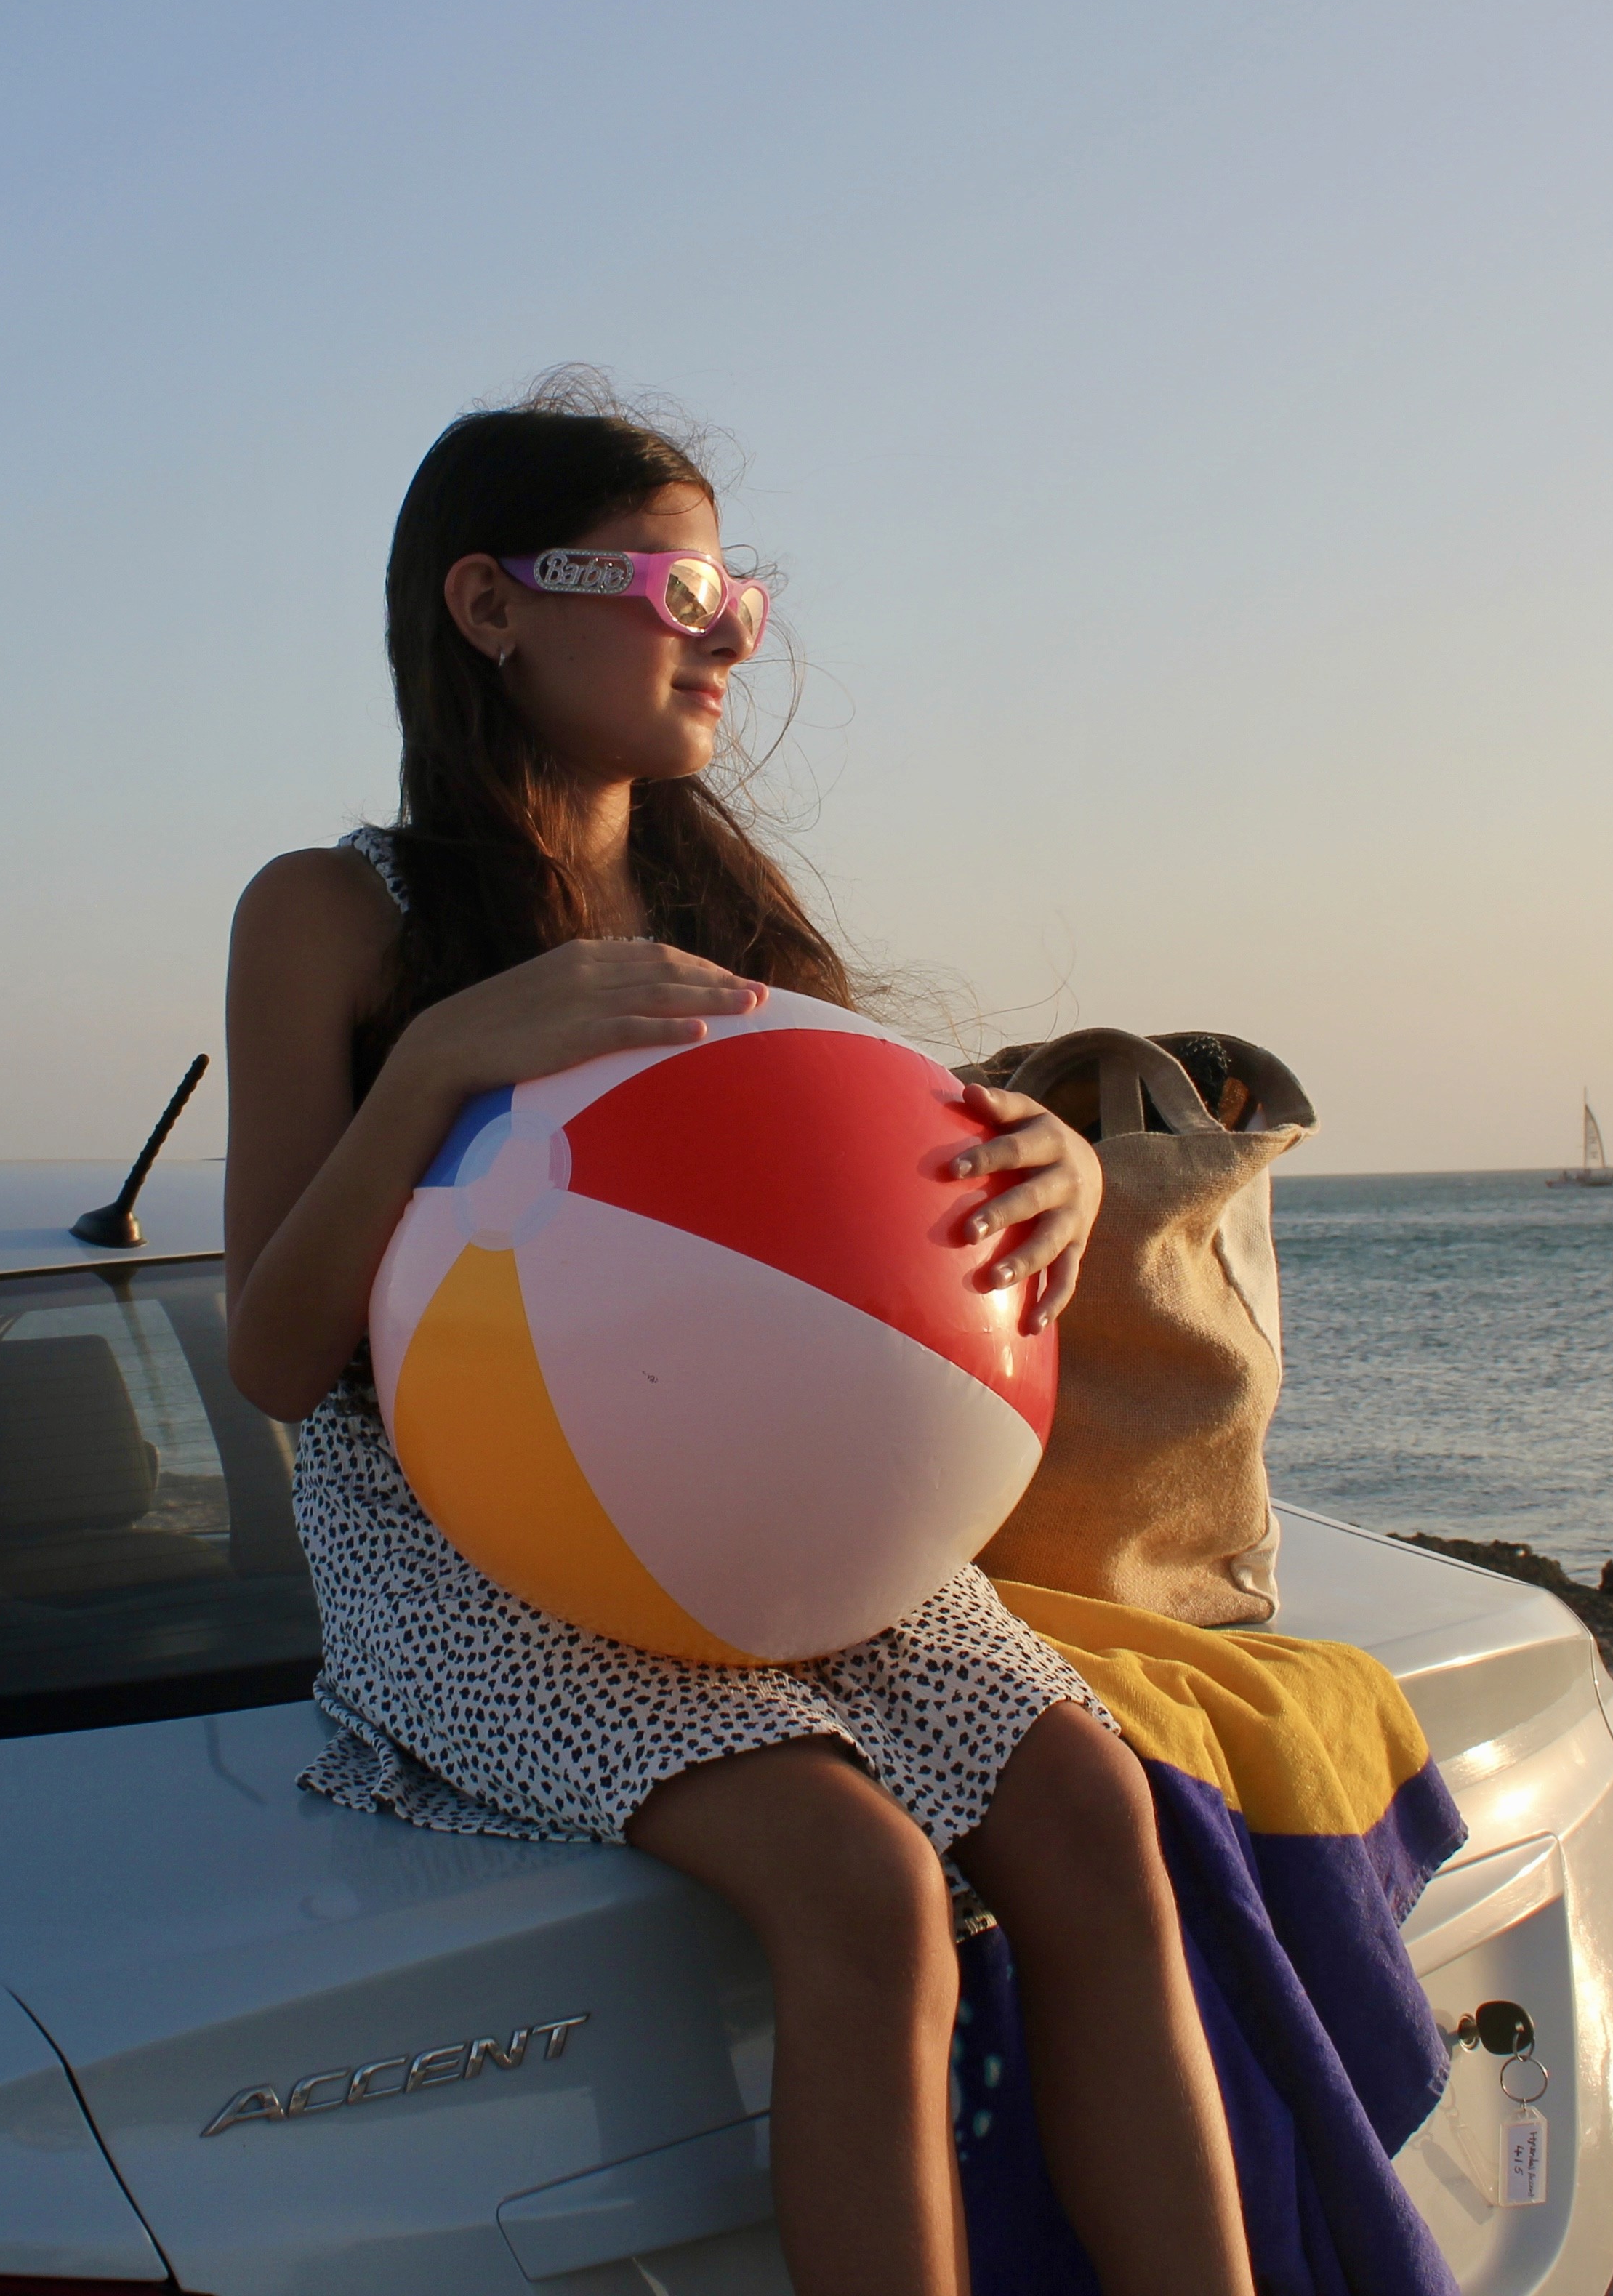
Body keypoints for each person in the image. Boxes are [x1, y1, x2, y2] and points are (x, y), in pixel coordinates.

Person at [223, 373, 1255, 2296]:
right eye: (677, 591)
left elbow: (852, 1255)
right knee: (860, 1886)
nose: (729, 639)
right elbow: (274, 1362)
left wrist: (1029, 1160)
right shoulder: (332, 918)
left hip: (785, 1524)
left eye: (742, 601)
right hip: (467, 1546)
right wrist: (446, 1057)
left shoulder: (743, 935)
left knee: (1096, 1816)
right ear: (490, 606)